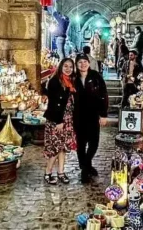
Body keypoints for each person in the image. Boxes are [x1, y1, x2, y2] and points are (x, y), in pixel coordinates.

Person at [73, 54, 109, 184]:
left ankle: (86, 165)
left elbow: (103, 95)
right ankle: (85, 169)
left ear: (88, 63)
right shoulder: (73, 78)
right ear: (76, 64)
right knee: (81, 145)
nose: (82, 64)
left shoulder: (96, 76)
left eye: (85, 61)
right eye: (79, 62)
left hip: (93, 115)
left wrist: (103, 114)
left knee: (94, 143)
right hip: (77, 115)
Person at [42, 58, 76, 185]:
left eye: (71, 67)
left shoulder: (70, 82)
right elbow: (55, 104)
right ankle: (48, 172)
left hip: (67, 120)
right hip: (57, 120)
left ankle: (61, 172)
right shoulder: (55, 81)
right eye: (65, 66)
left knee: (63, 148)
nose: (68, 69)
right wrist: (59, 121)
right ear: (61, 66)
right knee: (55, 148)